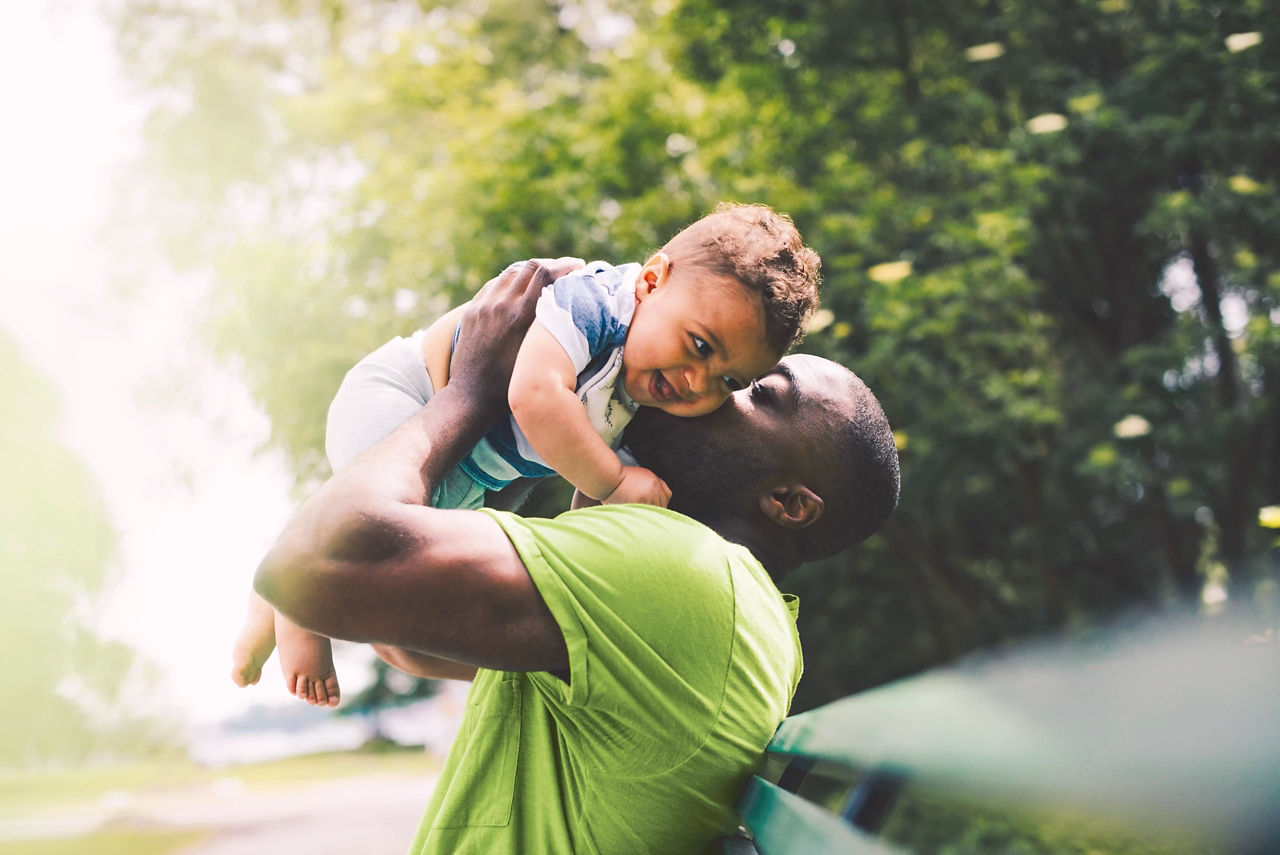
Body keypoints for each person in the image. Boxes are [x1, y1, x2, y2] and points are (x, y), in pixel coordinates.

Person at [253, 260, 901, 854]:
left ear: (789, 502)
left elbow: (314, 564)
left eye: (753, 390)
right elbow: (406, 640)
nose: (711, 388)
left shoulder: (684, 573)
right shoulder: (733, 609)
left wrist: (472, 389)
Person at [232, 203, 822, 707]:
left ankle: (273, 588)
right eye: (700, 346)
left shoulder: (649, 389)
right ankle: (302, 619)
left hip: (465, 463)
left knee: (416, 563)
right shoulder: (596, 305)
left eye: (726, 381)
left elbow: (587, 487)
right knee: (361, 530)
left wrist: (593, 532)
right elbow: (534, 396)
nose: (698, 380)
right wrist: (617, 480)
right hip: (408, 397)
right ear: (651, 281)